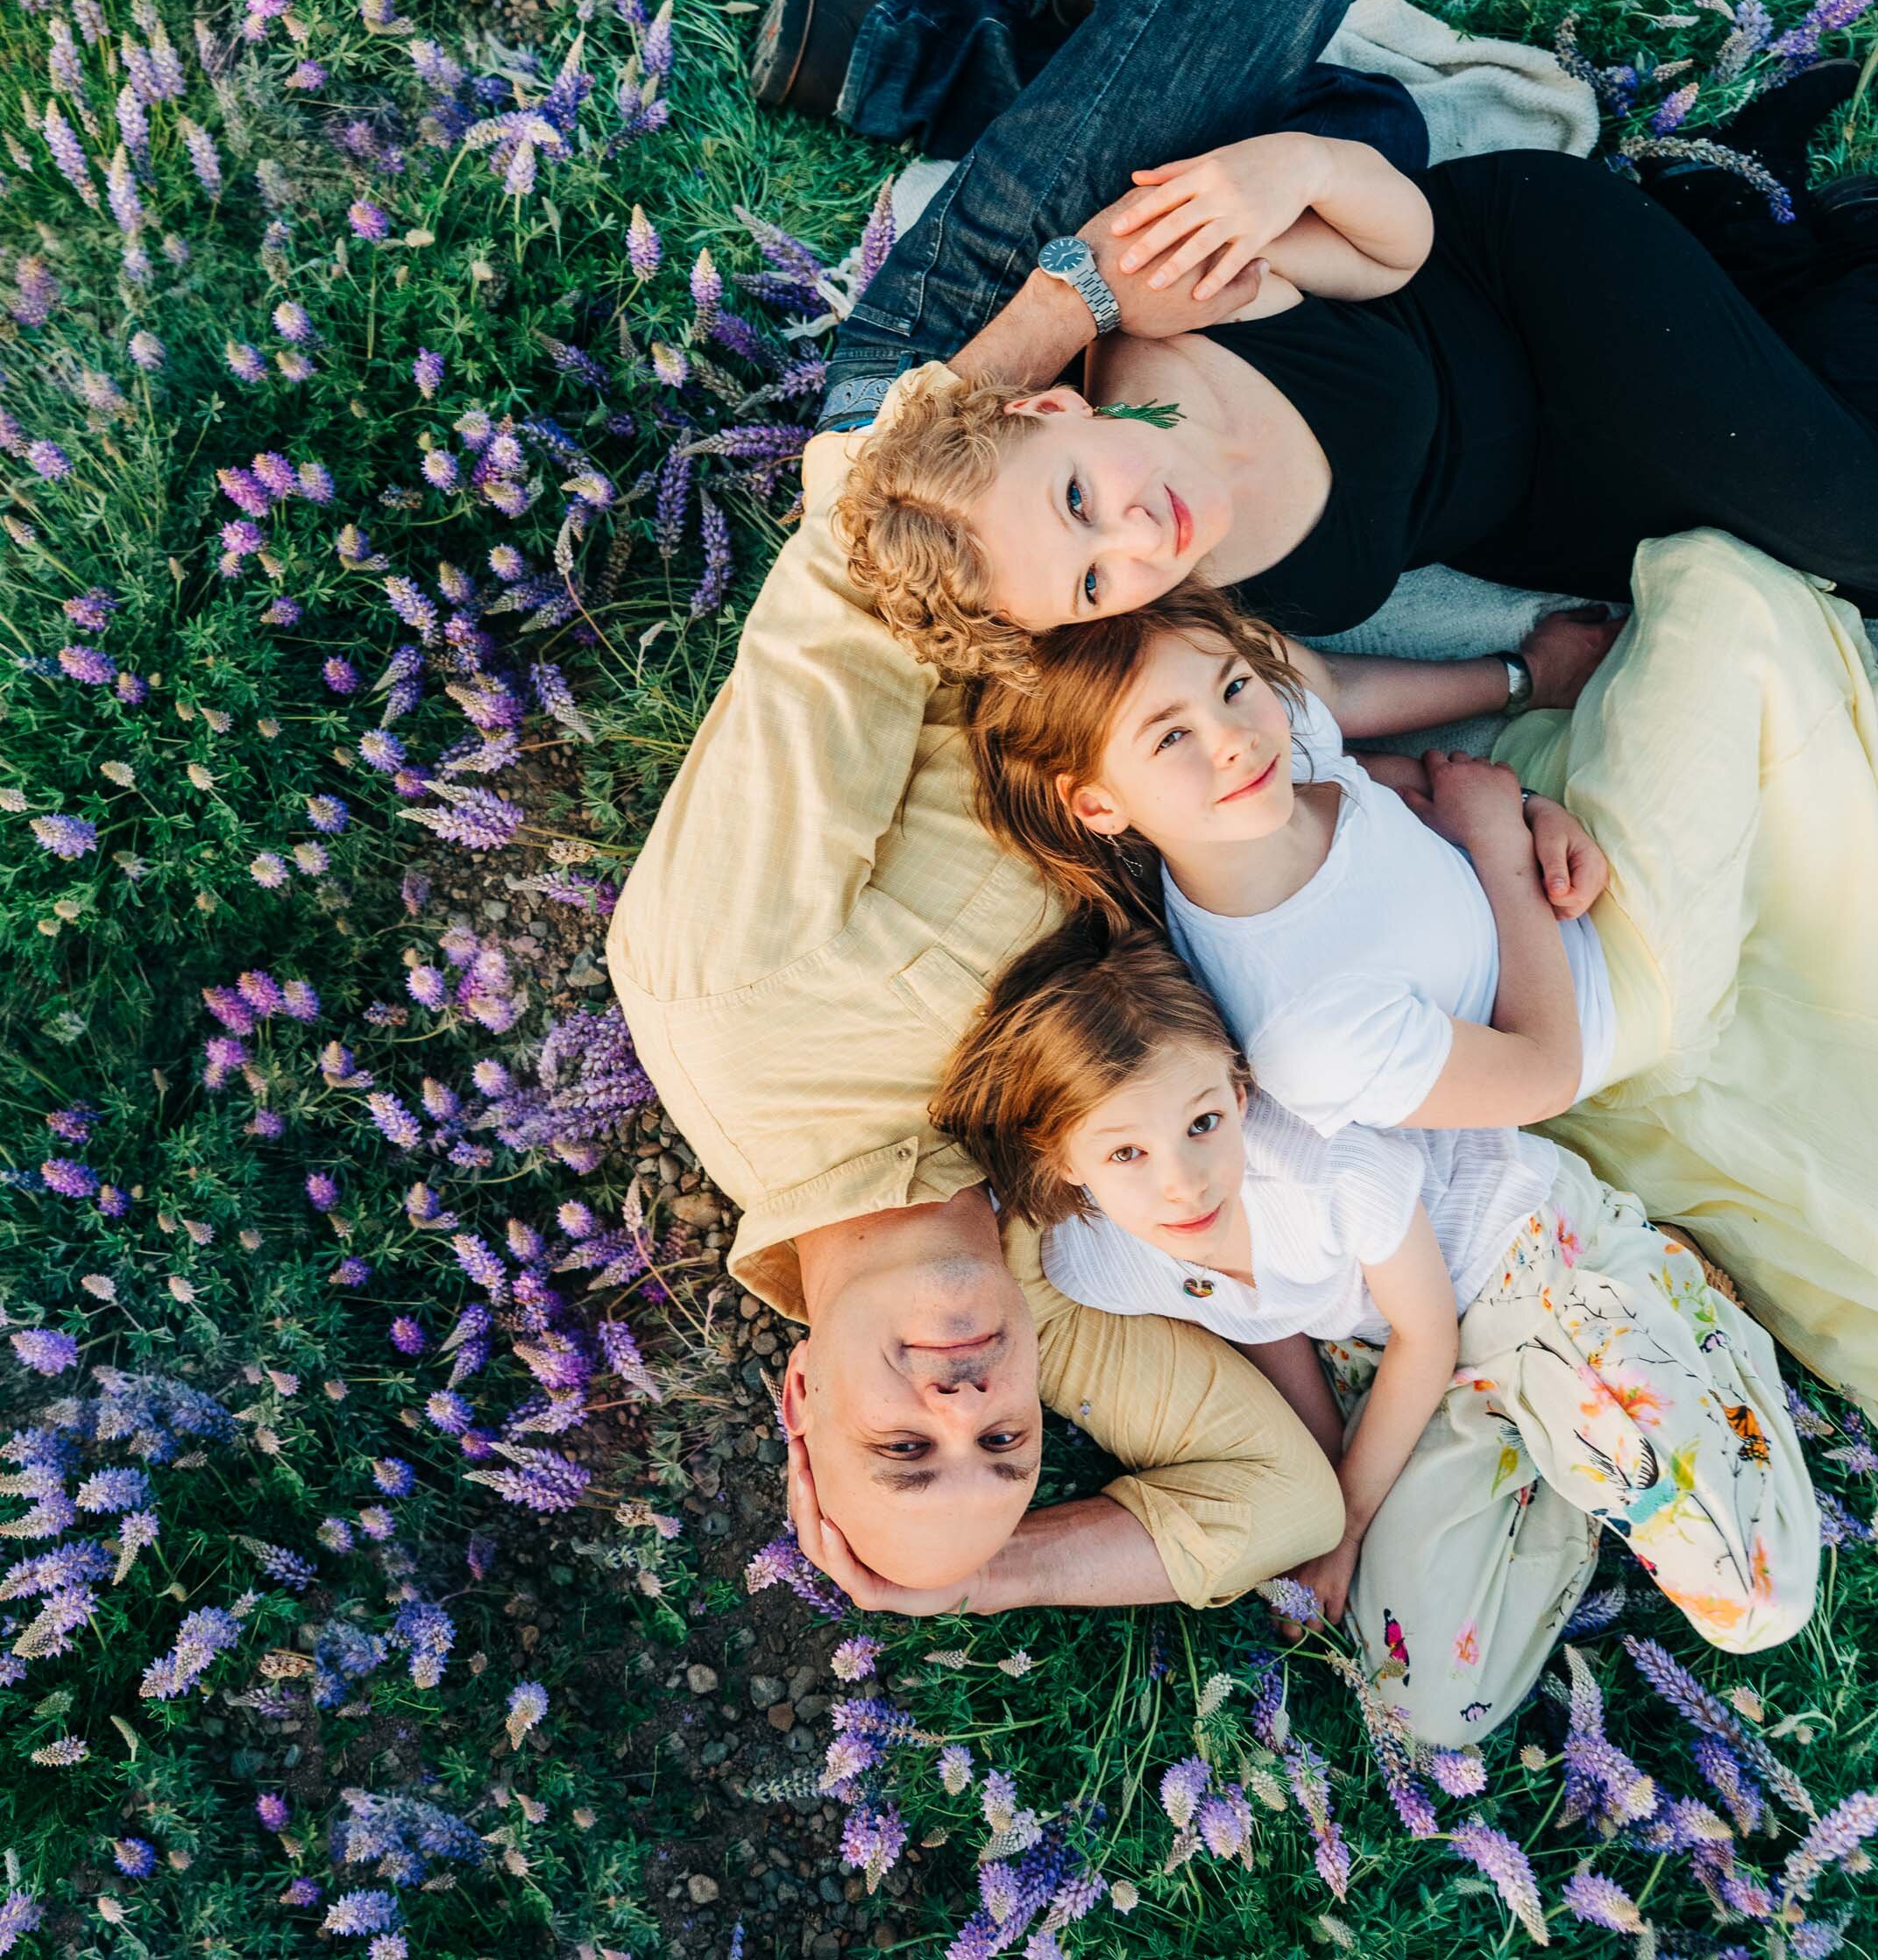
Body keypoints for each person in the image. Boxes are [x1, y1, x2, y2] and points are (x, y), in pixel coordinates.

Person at [795, 0, 1878, 662]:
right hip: (1548, 462)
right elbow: (1300, 698)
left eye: (1084, 501)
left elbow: (1388, 251)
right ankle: (1103, 17)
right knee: (1806, 536)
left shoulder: (1172, 311)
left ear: (1047, 410)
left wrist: (1282, 174)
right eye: (1090, 580)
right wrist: (1509, 684)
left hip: (1512, 285)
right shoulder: (1132, 598)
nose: (1127, 539)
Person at [606, 402, 1344, 1612]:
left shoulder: (734, 1005)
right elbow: (1281, 1498)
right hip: (1256, 682)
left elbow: (860, 552)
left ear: (800, 1400)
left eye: (901, 1448)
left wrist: (1075, 290)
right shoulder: (1038, 1292)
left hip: (1051, 472)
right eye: (1003, 1448)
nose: (963, 1408)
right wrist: (968, 1579)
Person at [959, 536, 1878, 1422]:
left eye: (1235, 687)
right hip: (1600, 985)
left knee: (1720, 659)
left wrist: (1526, 795)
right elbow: (1543, 1070)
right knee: (1718, 593)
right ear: (1098, 803)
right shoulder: (1303, 1028)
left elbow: (1382, 771)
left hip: (1525, 858)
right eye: (1170, 739)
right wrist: (1498, 847)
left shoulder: (1261, 771)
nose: (1233, 738)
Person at [932, 923, 1819, 1742]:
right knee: (1423, 1700)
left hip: (1536, 1272)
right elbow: (1258, 1321)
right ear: (1065, 1163)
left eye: (1203, 1123)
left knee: (1752, 1602)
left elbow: (1425, 1333)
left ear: (1238, 1094)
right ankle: (1569, 1455)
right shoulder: (1096, 1263)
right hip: (1420, 1379)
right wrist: (1325, 1485)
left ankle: (1670, 1304)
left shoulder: (1325, 1167)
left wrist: (1347, 1526)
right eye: (1126, 1154)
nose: (1184, 1182)